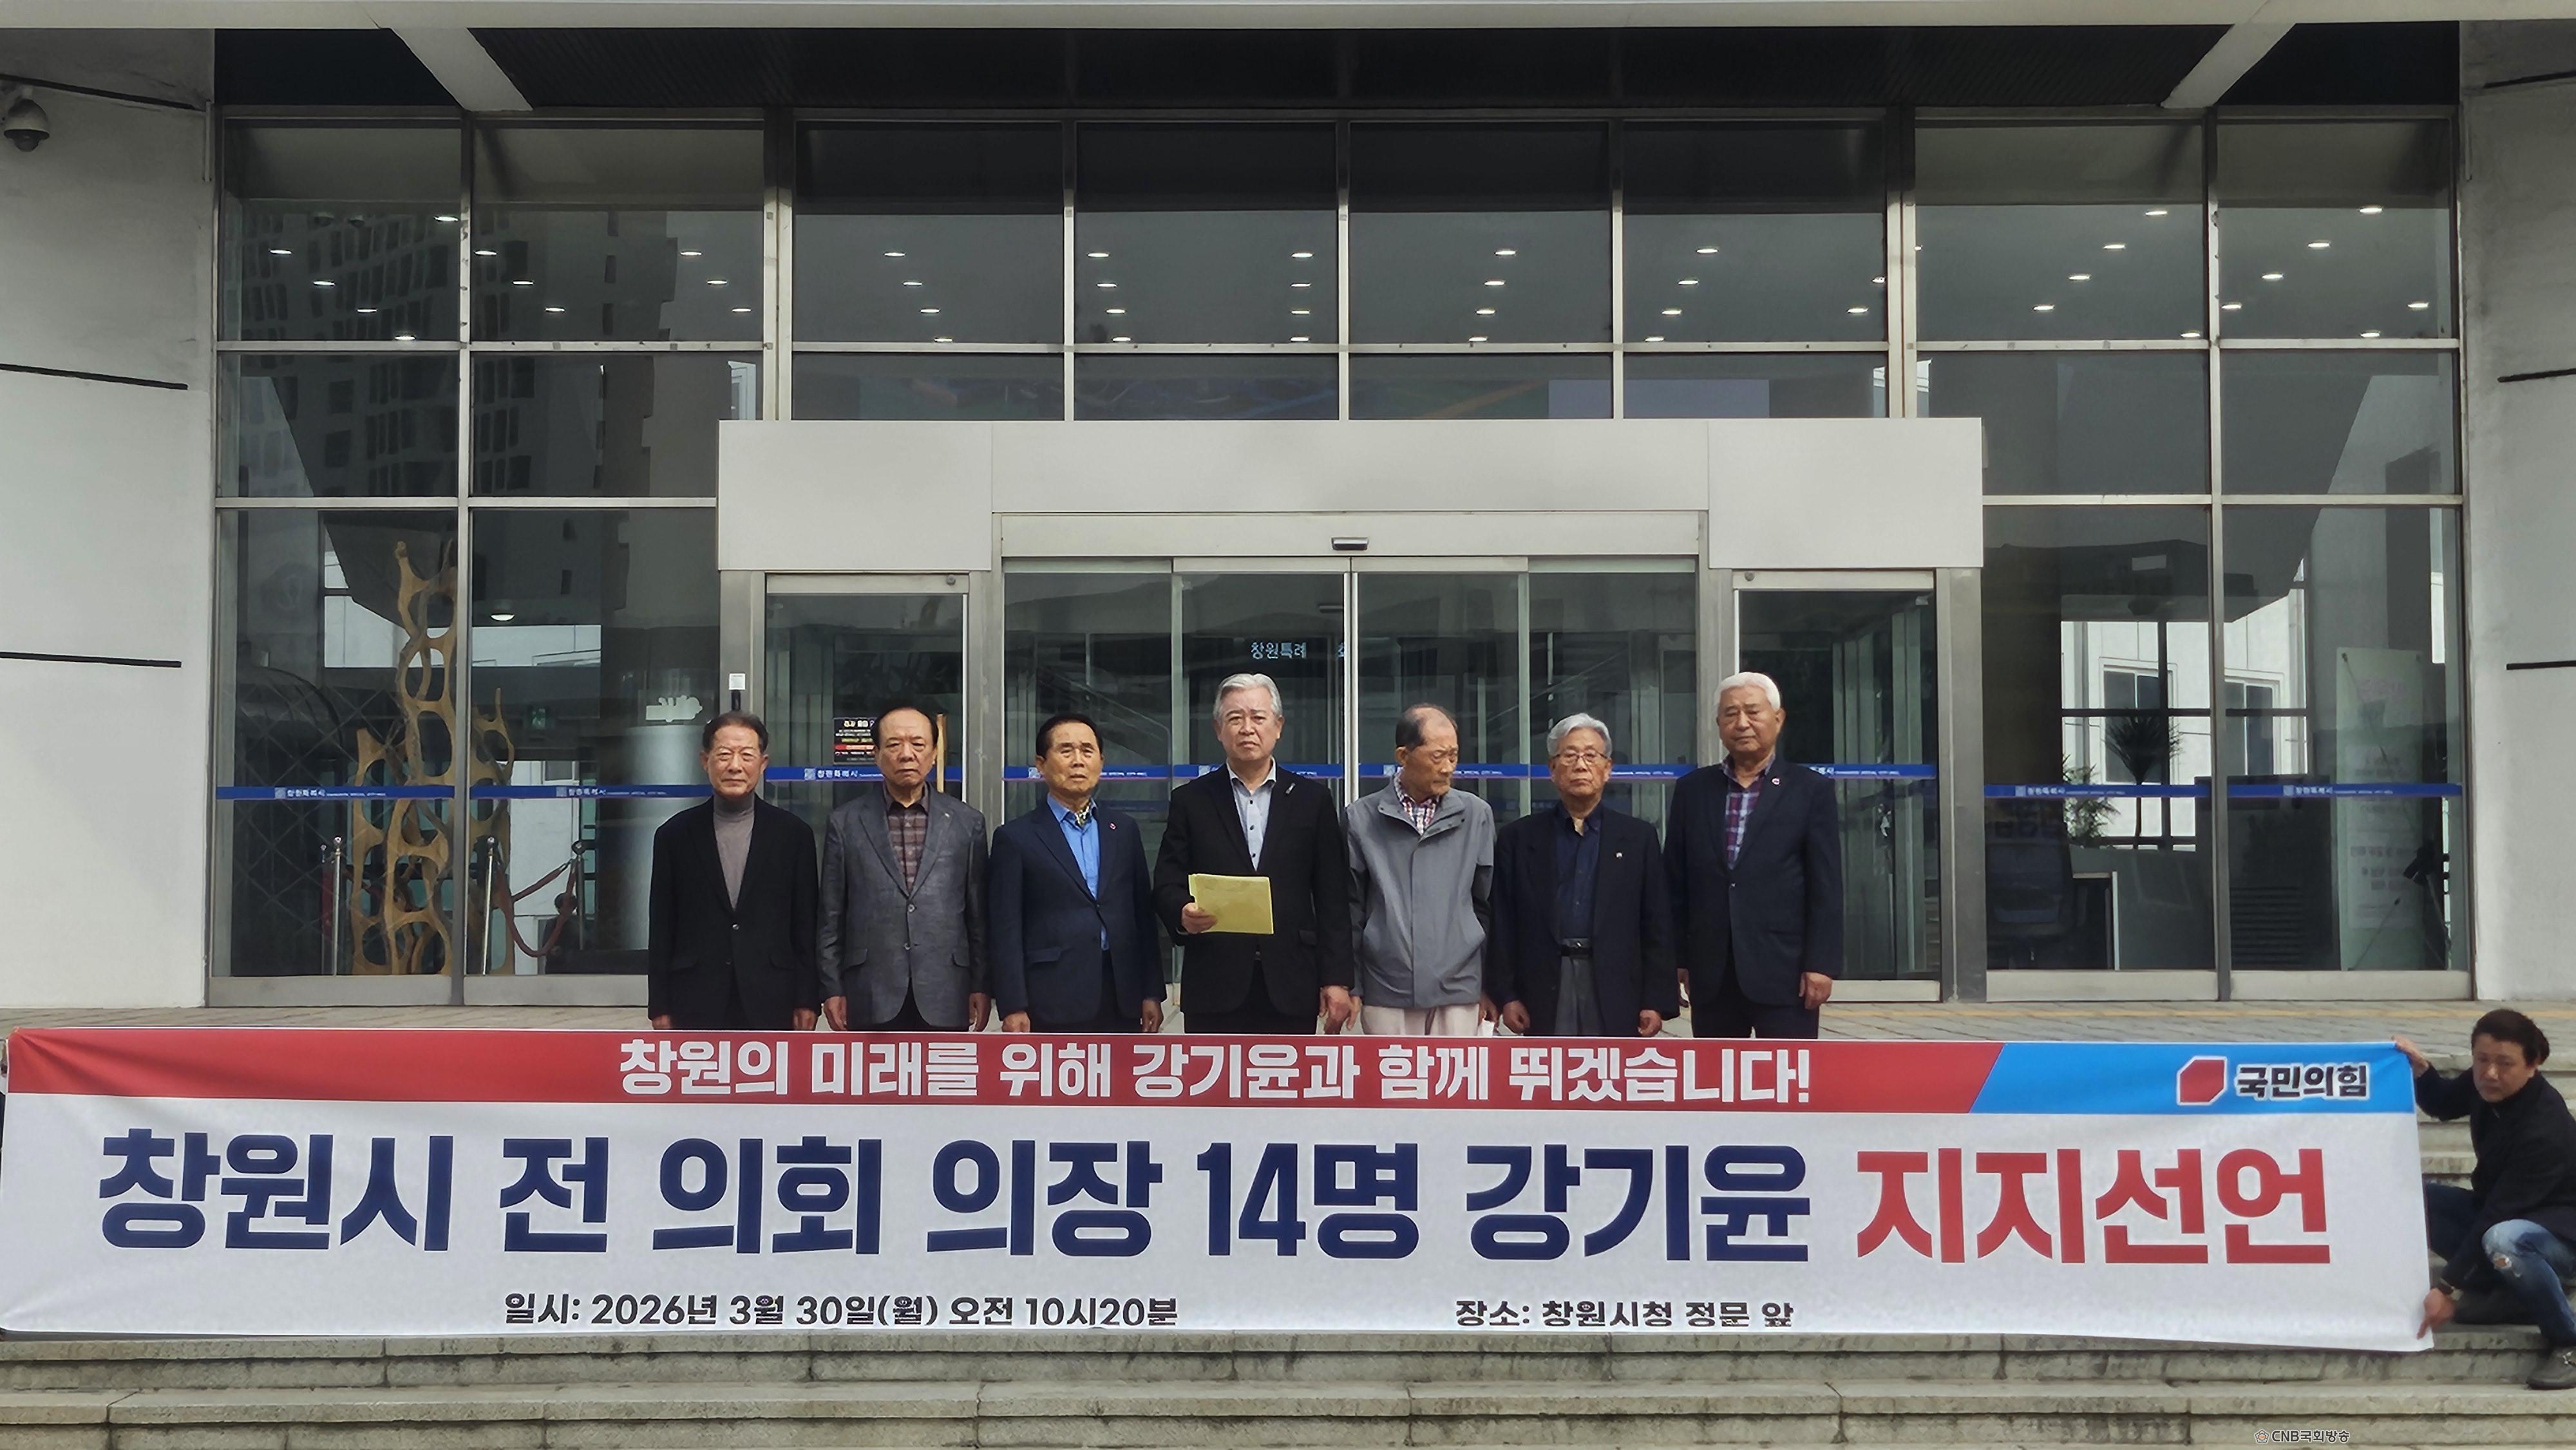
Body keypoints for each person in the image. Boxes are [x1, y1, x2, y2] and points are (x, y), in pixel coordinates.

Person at [1154, 672, 1355, 1034]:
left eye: (1258, 717)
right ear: (1218, 729)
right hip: (1215, 979)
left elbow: (1333, 897)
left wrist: (1337, 979)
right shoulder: (1191, 801)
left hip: (1292, 980)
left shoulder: (1312, 801)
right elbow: (1167, 881)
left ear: (1278, 727)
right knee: (1213, 1072)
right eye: (1235, 718)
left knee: (1287, 1072)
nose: (1247, 728)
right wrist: (1182, 912)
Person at [2404, 1010, 2576, 1389]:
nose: (2490, 1073)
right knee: (2412, 1198)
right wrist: (2421, 1069)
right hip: (2501, 1215)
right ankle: (2509, 1295)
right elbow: (2443, 1104)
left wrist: (2446, 1287)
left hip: (2559, 1239)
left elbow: (2498, 1215)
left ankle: (2567, 1341)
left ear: (2533, 1064)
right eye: (2482, 1060)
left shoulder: (2544, 1131)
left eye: (2505, 1064)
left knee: (2505, 1240)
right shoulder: (2486, 1081)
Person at [1667, 671, 1842, 1039]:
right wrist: (1678, 958)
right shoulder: (1692, 790)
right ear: (1718, 724)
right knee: (1716, 1073)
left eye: (1752, 712)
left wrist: (1821, 964)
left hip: (1785, 970)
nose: (1742, 723)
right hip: (1712, 970)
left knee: (1785, 1073)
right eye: (1730, 714)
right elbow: (1676, 882)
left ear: (1778, 719)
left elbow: (1825, 886)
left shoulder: (1810, 790)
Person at [1491, 713, 1678, 1038]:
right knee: (1550, 1068)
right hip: (1544, 984)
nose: (1581, 765)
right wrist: (1507, 995)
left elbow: (1656, 923)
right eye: (1570, 756)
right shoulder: (1518, 839)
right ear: (1552, 769)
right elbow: (1503, 923)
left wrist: (1655, 1000)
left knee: (1611, 1068)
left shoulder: (1638, 838)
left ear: (1608, 769)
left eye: (1591, 756)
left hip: (1615, 984)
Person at [989, 712, 1166, 1033]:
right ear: (1041, 764)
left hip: (1121, 993)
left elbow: (1142, 915)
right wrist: (1012, 1004)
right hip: (1050, 997)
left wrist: (1152, 991)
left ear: (1101, 761)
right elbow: (1005, 929)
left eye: (1087, 751)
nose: (1078, 761)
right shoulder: (1016, 838)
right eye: (1066, 750)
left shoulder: (1123, 830)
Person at [817, 704, 990, 1032]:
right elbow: (831, 916)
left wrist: (981, 984)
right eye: (894, 744)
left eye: (918, 744)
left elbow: (978, 916)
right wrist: (832, 987)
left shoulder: (967, 823)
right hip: (869, 989)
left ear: (935, 754)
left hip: (947, 989)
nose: (907, 754)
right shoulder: (845, 823)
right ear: (876, 754)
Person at [646, 711, 819, 1032]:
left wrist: (807, 999)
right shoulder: (674, 835)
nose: (735, 766)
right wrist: (659, 1004)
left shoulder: (794, 835)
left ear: (763, 763)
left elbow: (805, 925)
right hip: (695, 996)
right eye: (724, 755)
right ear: (705, 761)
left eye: (746, 756)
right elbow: (661, 926)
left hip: (773, 996)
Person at [1347, 704, 1495, 1037]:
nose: (1448, 768)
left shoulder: (1476, 815)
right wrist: (1352, 983)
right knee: (1392, 1071)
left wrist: (1488, 983)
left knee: (1455, 1071)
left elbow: (1486, 904)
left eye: (1454, 756)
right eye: (1438, 756)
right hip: (1386, 985)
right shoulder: (1362, 818)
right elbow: (1351, 910)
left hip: (1459, 987)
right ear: (1403, 756)